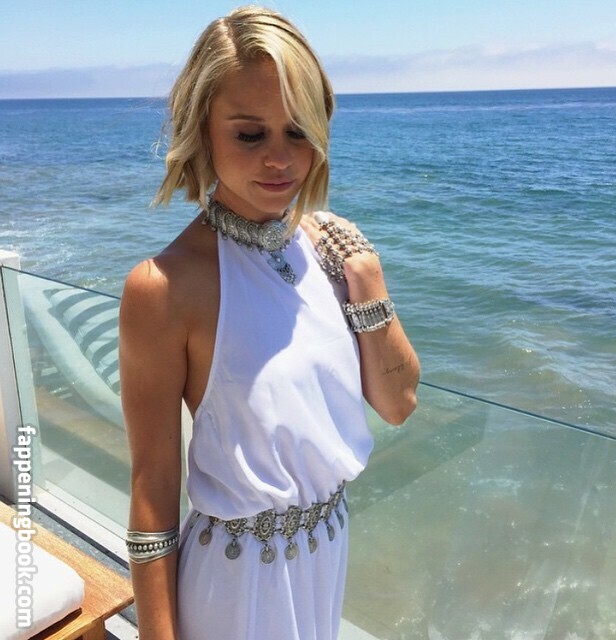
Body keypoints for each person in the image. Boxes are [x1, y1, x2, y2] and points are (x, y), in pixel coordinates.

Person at [119, 6, 419, 640]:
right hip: (236, 587)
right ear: (202, 131)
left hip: (327, 556)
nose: (281, 160)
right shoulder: (164, 287)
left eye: (298, 131)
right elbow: (153, 489)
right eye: (250, 135)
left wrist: (368, 280)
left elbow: (398, 403)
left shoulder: (331, 252)